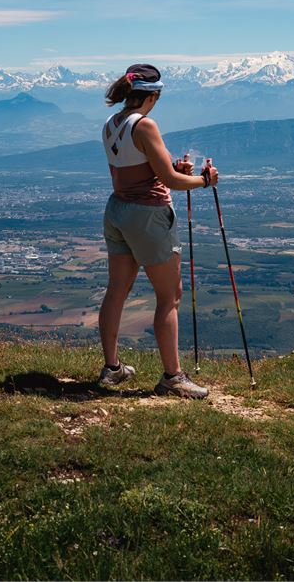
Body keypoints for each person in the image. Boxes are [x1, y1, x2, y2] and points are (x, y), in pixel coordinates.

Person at [99, 63, 218, 399]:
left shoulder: (112, 124)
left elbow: (135, 169)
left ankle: (112, 368)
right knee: (170, 297)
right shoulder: (146, 125)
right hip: (148, 216)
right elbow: (169, 181)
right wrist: (204, 181)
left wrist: (174, 170)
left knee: (116, 292)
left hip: (117, 210)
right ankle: (173, 377)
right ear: (154, 94)